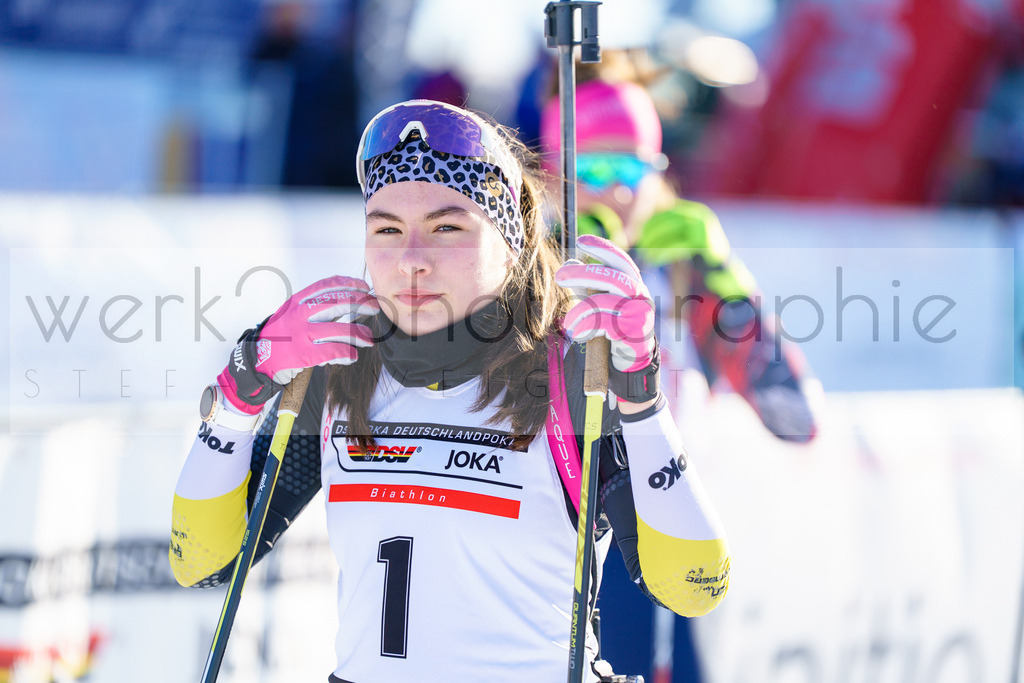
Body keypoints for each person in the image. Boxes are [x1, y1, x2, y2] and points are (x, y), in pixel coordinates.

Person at [170, 99, 730, 682]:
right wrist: (241, 390)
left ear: (509, 241)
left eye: (447, 227)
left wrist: (640, 395)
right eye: (387, 229)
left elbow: (695, 584)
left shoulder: (569, 375)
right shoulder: (340, 369)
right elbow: (203, 563)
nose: (412, 260)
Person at [539, 71, 820, 683]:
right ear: (551, 179)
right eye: (587, 174)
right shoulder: (528, 272)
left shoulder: (685, 270)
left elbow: (797, 419)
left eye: (629, 173)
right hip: (556, 550)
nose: (610, 193)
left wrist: (730, 288)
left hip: (664, 534)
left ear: (659, 174)